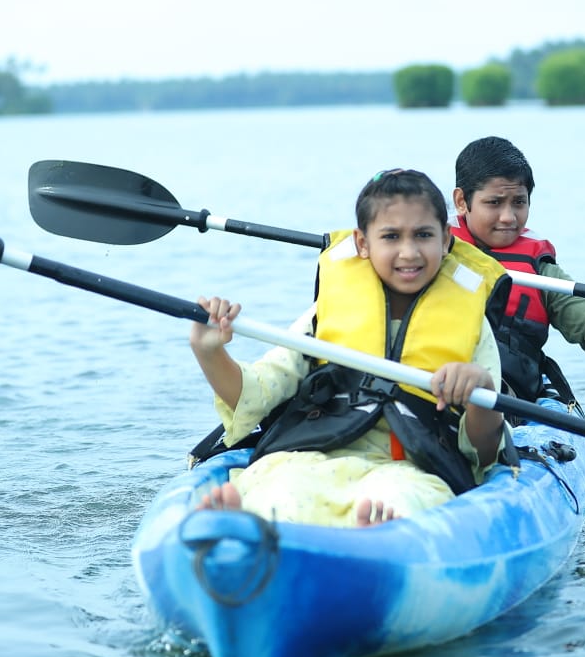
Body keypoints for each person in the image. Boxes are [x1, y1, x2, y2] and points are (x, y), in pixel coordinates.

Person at [189, 168, 512, 528]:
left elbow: (484, 452)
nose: (409, 252)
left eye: (423, 235)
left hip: (409, 467)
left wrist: (479, 390)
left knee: (401, 499)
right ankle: (247, 523)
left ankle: (375, 536)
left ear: (446, 239)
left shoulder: (471, 325)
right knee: (283, 489)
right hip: (311, 457)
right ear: (362, 243)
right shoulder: (326, 313)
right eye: (391, 236)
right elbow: (258, 392)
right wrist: (210, 353)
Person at [451, 136, 585, 401]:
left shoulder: (541, 271)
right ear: (462, 201)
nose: (509, 217)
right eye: (494, 203)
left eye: (519, 202)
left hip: (512, 400)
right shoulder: (431, 253)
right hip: (439, 384)